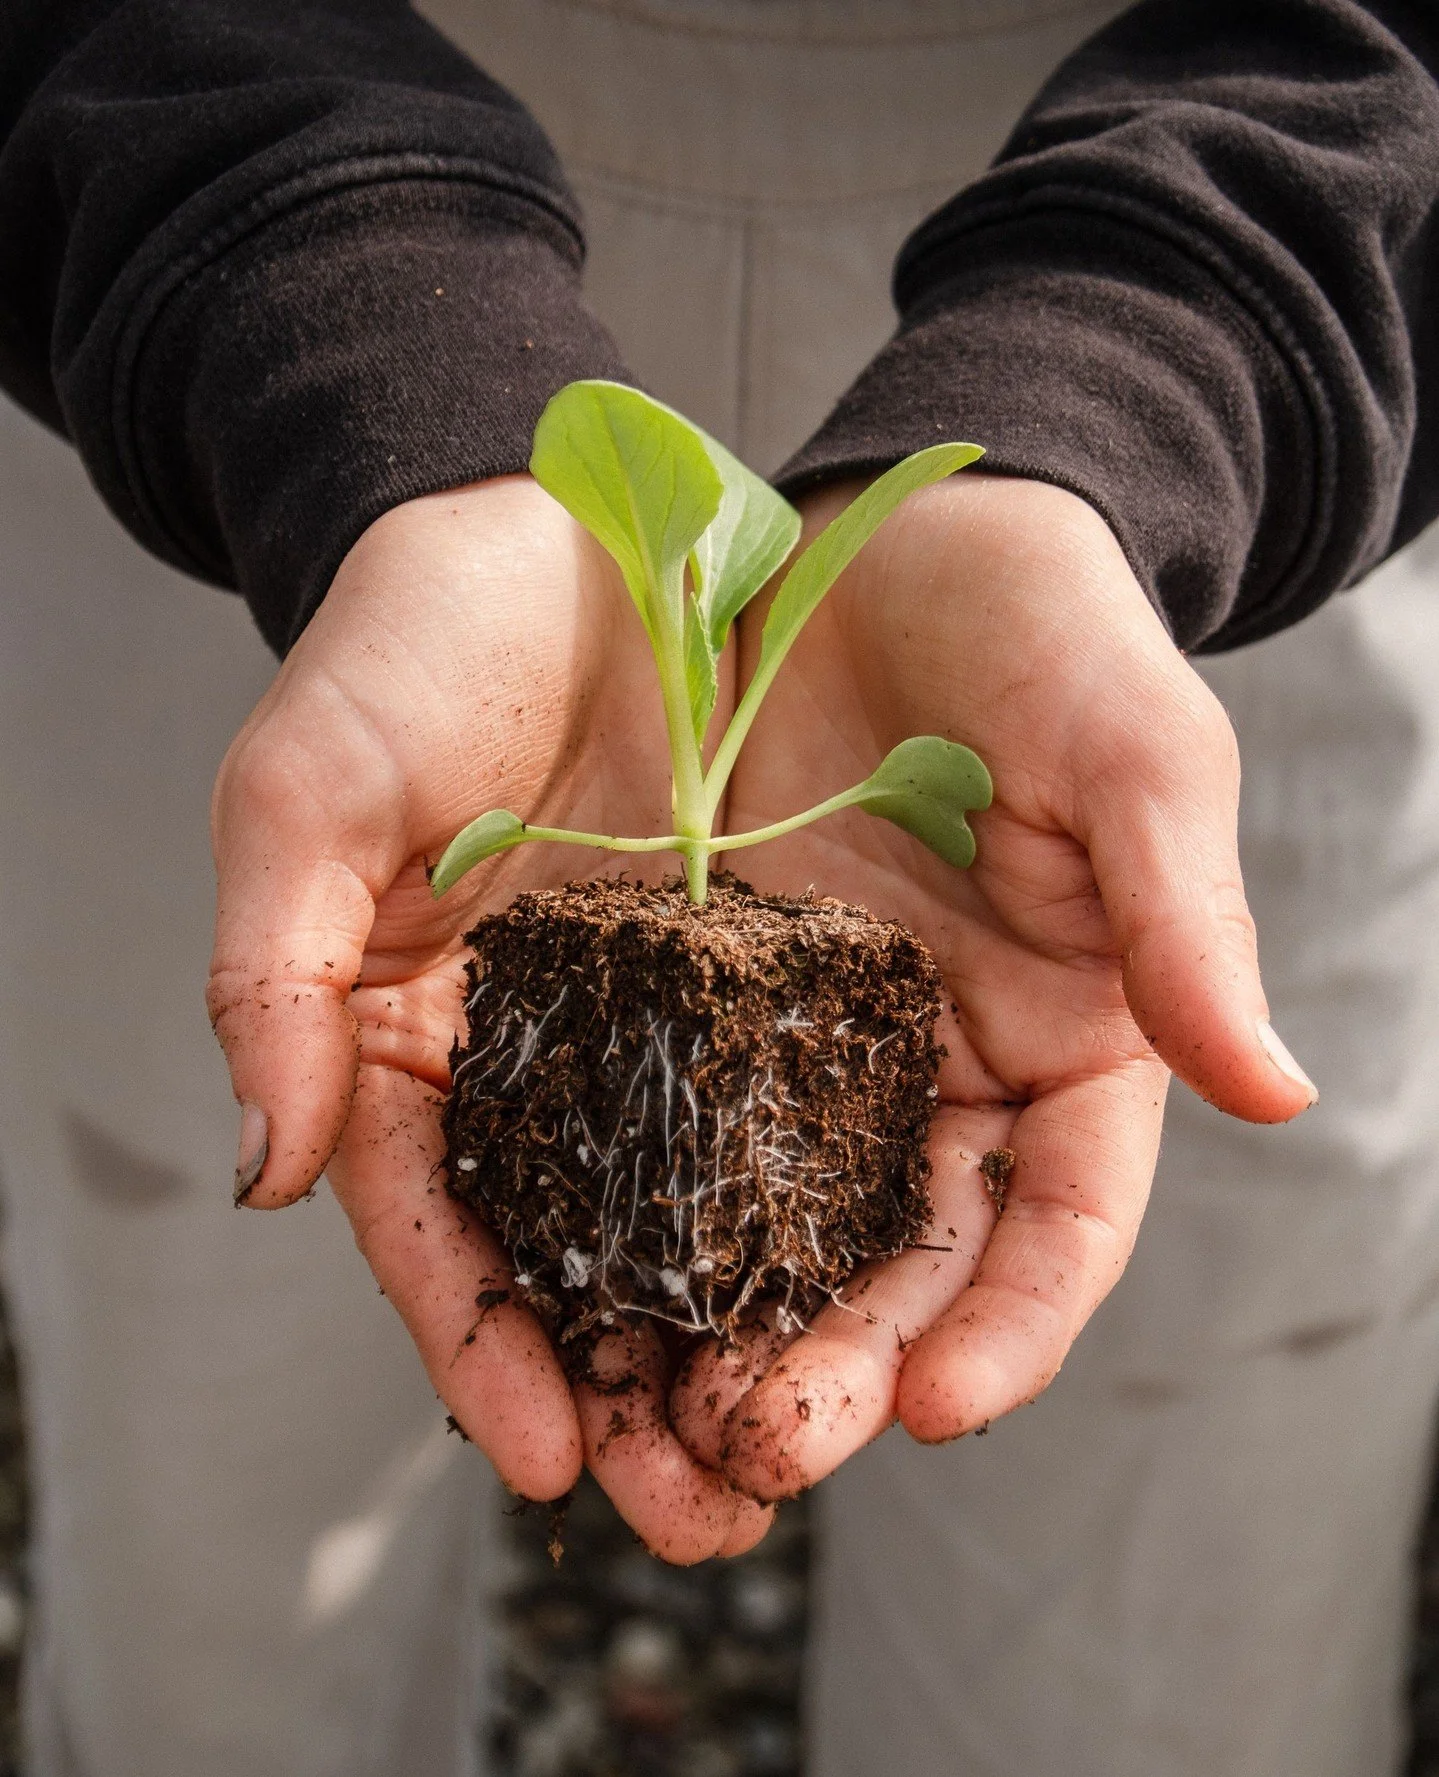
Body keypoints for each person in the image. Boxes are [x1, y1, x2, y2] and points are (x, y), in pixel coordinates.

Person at [1, 0, 1436, 1772]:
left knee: (1171, 1576)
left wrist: (1153, 351)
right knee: (207, 1495)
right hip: (237, 299)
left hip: (1231, 288)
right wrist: (333, 290)